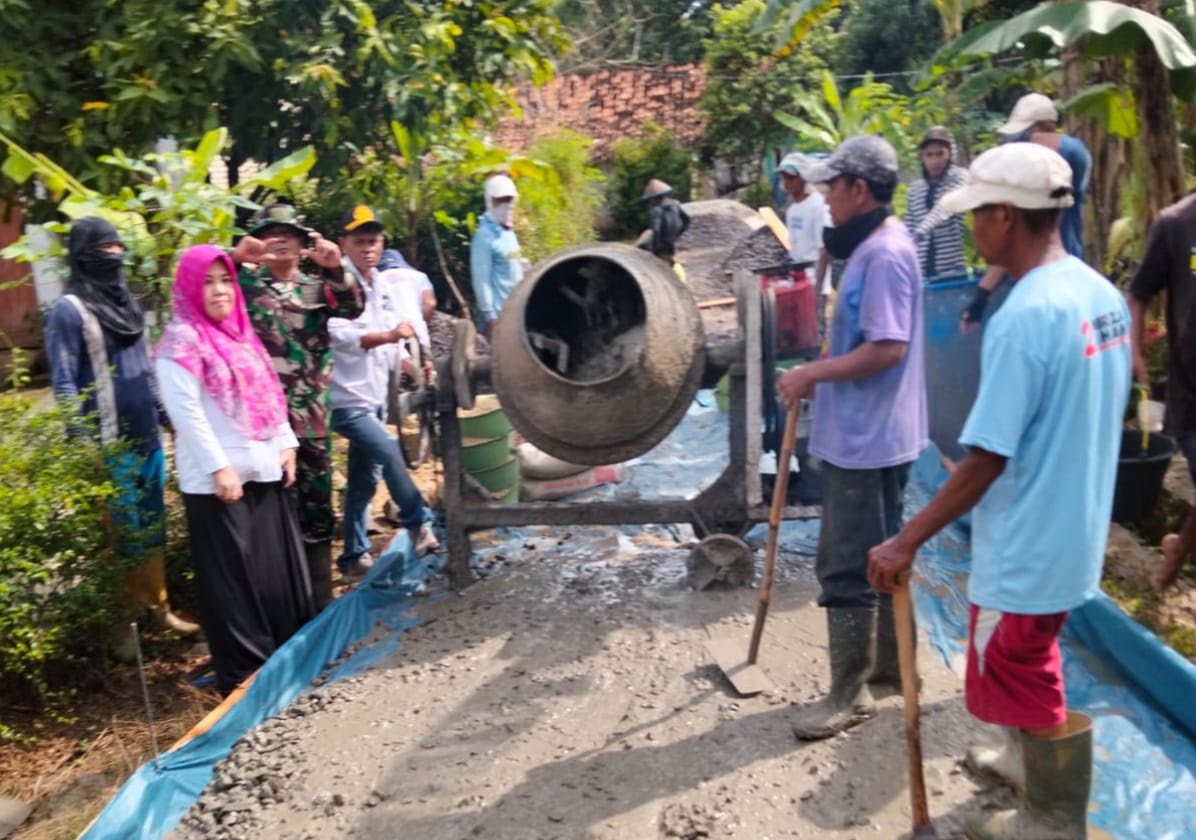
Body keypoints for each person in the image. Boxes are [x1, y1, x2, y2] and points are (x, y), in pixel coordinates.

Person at [868, 143, 1129, 839]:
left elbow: (985, 459)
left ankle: (1052, 818)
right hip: (1075, 525)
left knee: (1020, 664)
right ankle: (1020, 762)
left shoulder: (1024, 317)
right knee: (1027, 657)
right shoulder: (1097, 295)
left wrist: (905, 538)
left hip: (1031, 539)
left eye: (978, 214)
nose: (972, 229)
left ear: (1006, 217)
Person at [776, 135, 927, 740]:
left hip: (868, 438)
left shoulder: (884, 254)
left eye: (831, 188)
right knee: (883, 556)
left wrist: (813, 373)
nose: (824, 199)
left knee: (845, 565)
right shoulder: (877, 247)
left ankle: (848, 693)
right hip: (878, 430)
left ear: (859, 190)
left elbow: (888, 348)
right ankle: (892, 671)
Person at [155, 245, 313, 696]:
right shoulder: (180, 342)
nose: (220, 290)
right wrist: (219, 468)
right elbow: (185, 412)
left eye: (225, 280)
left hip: (263, 468)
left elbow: (268, 393)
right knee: (235, 586)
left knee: (272, 573)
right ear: (188, 288)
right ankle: (247, 681)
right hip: (219, 483)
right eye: (207, 282)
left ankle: (288, 662)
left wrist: (286, 443)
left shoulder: (241, 333)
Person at [44, 216, 199, 659]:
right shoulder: (68, 311)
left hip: (147, 439)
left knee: (151, 529)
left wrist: (167, 417)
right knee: (120, 535)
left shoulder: (128, 304)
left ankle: (159, 609)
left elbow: (146, 369)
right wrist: (82, 440)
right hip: (108, 447)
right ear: (82, 256)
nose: (113, 255)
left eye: (117, 246)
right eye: (102, 248)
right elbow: (66, 381)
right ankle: (123, 626)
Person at [229, 203, 363, 610]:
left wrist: (336, 267)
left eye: (289, 232)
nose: (280, 239)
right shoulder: (244, 288)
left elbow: (354, 306)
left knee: (317, 507)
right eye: (271, 232)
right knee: (266, 510)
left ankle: (321, 600)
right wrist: (236, 258)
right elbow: (203, 288)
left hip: (311, 422)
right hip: (262, 425)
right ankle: (279, 603)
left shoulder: (316, 286)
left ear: (303, 241)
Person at [330, 205, 439, 578]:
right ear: (343, 243)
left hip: (374, 397)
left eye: (373, 241)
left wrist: (413, 366)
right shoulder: (336, 285)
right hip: (345, 400)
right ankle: (417, 522)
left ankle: (352, 556)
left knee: (364, 479)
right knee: (391, 450)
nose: (368, 248)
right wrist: (390, 337)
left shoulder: (380, 283)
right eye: (359, 241)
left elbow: (395, 332)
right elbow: (338, 336)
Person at [961, 93, 1093, 328]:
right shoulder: (1027, 191)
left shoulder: (1070, 156)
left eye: (1025, 134)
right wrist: (982, 293)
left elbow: (1062, 148)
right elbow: (1011, 238)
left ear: (1045, 130)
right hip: (1030, 286)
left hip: (1058, 290)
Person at [1129, 191, 1196, 590]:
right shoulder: (1175, 224)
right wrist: (1135, 351)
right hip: (1192, 392)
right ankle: (1177, 553)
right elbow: (1139, 292)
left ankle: (1178, 548)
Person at [903, 126, 969, 279]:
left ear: (950, 154)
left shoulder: (960, 178)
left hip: (951, 269)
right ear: (922, 157)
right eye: (929, 155)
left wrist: (919, 233)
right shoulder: (915, 190)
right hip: (920, 272)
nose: (935, 161)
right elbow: (909, 226)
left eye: (940, 154)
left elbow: (945, 207)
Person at [470, 174, 524, 336]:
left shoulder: (508, 232)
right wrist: (490, 317)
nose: (506, 205)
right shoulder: (484, 237)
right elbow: (482, 281)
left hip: (516, 313)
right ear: (490, 201)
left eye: (509, 199)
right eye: (500, 200)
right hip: (498, 317)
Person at [776, 152, 830, 290]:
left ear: (804, 177)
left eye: (791, 178)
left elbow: (823, 249)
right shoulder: (792, 210)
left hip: (814, 279)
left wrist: (818, 285)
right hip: (798, 278)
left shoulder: (817, 206)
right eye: (784, 178)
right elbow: (794, 246)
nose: (786, 183)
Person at [640, 178, 691, 272]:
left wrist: (654, 248)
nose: (650, 202)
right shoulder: (676, 204)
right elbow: (687, 220)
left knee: (642, 248)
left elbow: (656, 230)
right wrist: (677, 234)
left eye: (651, 200)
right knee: (669, 259)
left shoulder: (656, 210)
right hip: (671, 242)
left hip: (662, 245)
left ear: (655, 198)